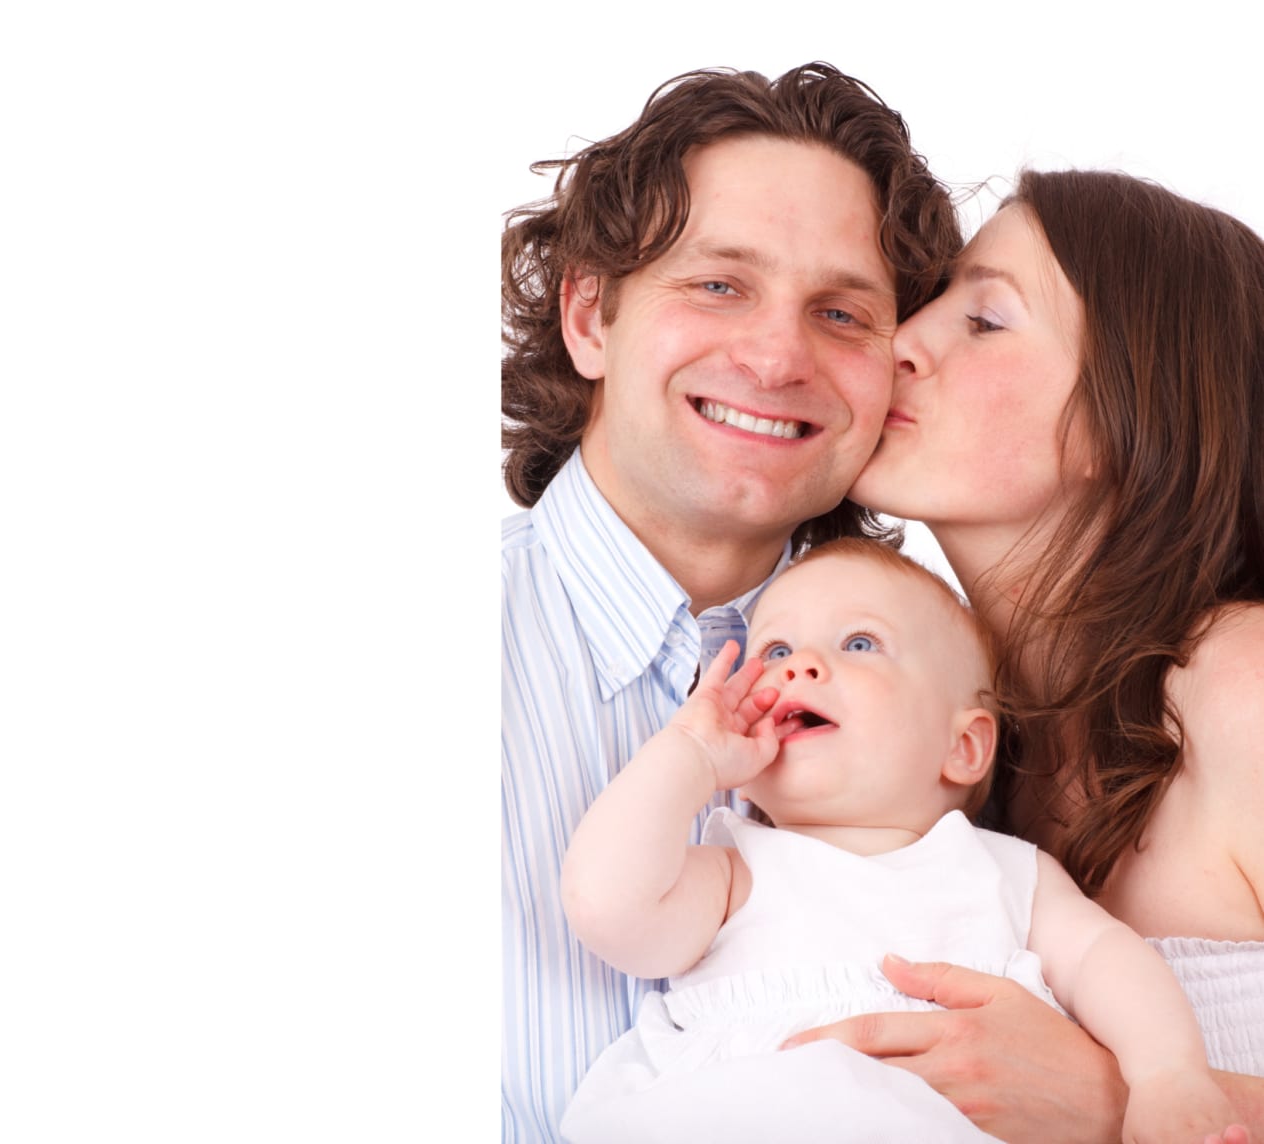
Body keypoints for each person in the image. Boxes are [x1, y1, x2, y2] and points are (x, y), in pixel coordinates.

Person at [500, 64, 962, 1140]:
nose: (775, 355)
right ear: (588, 317)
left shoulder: (952, 689)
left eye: (841, 312)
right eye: (718, 284)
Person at [781, 170, 1264, 1139]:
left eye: (987, 319)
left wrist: (1111, 1099)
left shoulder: (1241, 687)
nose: (902, 342)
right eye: (934, 303)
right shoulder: (934, 726)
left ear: (1131, 412)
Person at [558, 539, 1247, 1144]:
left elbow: (1110, 962)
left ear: (964, 746)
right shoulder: (737, 874)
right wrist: (691, 754)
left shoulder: (1005, 874)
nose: (799, 666)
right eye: (775, 649)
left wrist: (1165, 1075)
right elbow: (607, 908)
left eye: (859, 643)